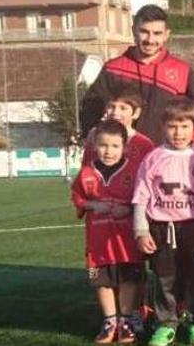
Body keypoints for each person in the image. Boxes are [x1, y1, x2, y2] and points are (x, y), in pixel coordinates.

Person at [132, 98, 194, 346]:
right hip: (162, 228)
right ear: (163, 127)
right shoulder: (153, 158)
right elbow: (141, 196)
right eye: (172, 126)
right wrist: (141, 230)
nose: (178, 133)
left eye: (184, 126)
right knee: (164, 278)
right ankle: (166, 323)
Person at [80, 5, 194, 144]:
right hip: (123, 155)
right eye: (144, 31)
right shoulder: (114, 68)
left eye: (157, 33)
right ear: (133, 30)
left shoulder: (182, 70)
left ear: (166, 34)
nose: (150, 40)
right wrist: (90, 135)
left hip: (166, 153)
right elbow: (90, 108)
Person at [71, 119, 144, 344]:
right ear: (95, 146)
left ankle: (126, 320)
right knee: (101, 281)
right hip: (99, 241)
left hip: (126, 241)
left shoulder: (134, 170)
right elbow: (77, 197)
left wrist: (128, 208)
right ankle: (110, 321)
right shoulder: (85, 173)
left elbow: (144, 197)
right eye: (103, 145)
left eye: (114, 146)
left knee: (128, 280)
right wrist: (93, 205)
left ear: (124, 146)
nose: (108, 151)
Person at [81, 85, 155, 168]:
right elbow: (86, 166)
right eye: (111, 107)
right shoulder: (94, 135)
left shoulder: (143, 144)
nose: (115, 112)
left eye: (123, 108)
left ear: (136, 113)